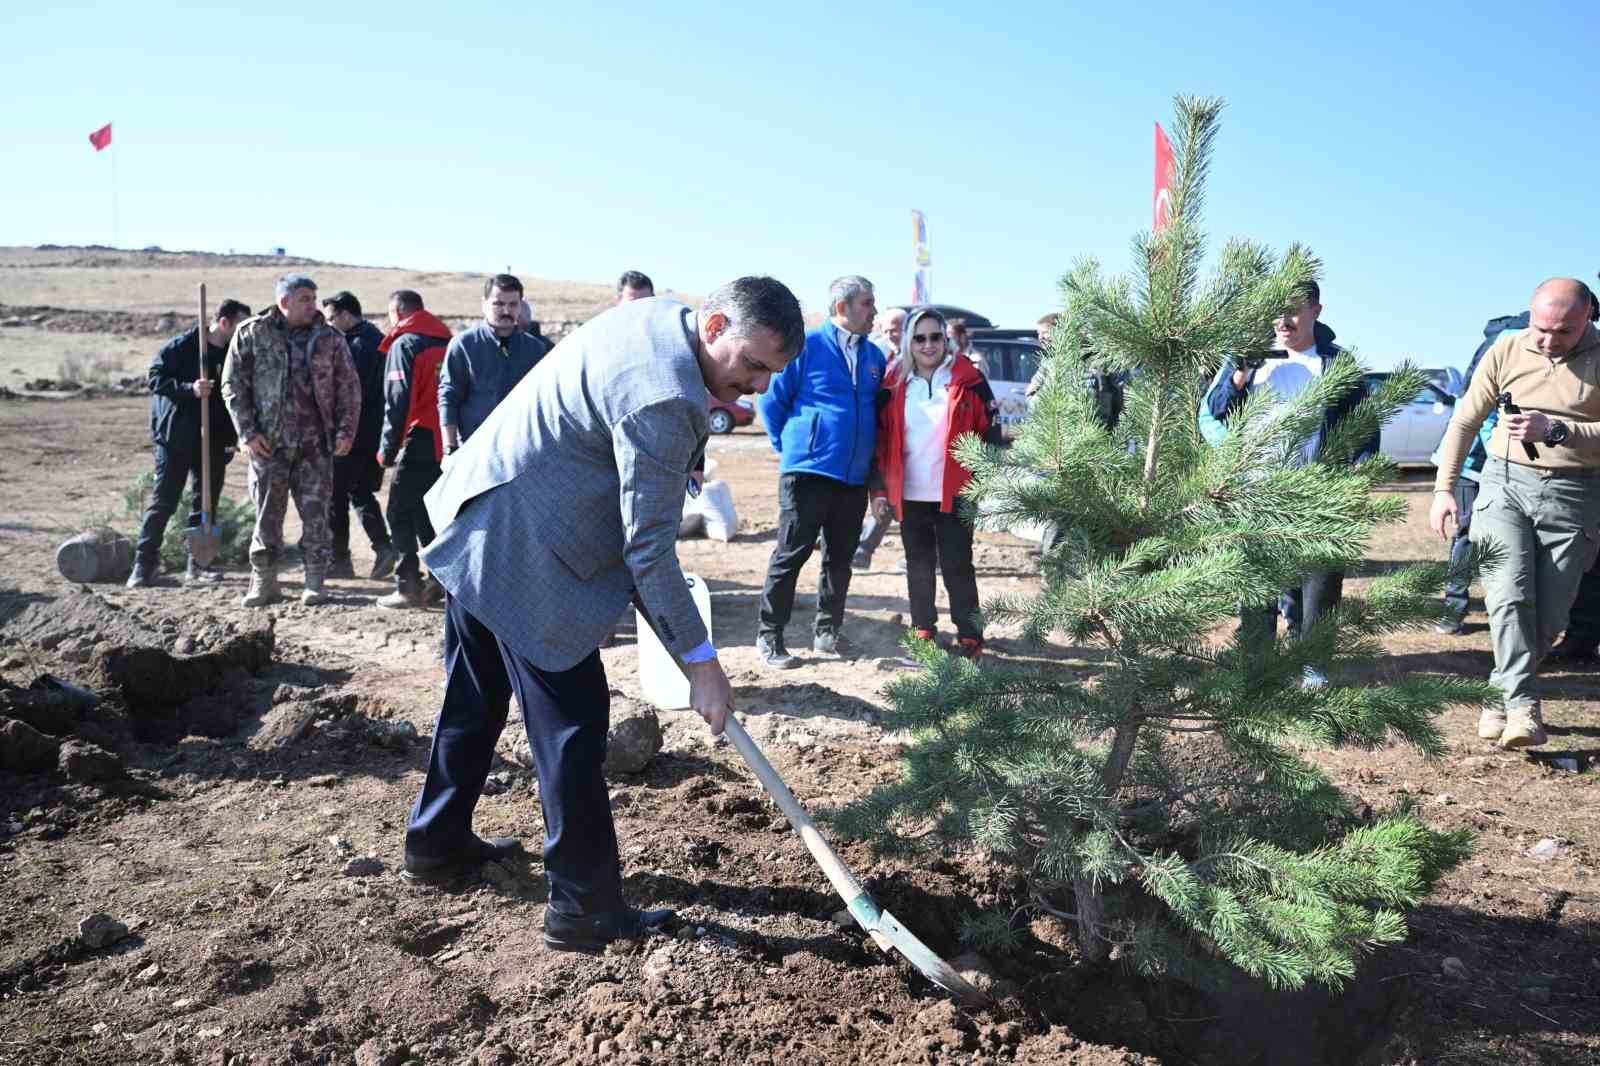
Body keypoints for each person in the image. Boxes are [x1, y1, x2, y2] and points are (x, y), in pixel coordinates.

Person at [403, 276, 804, 953]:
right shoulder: (666, 396)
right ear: (712, 328)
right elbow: (648, 554)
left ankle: (436, 843)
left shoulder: (660, 317)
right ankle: (584, 906)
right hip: (524, 545)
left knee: (475, 696)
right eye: (754, 365)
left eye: (773, 372)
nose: (761, 386)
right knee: (574, 724)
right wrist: (701, 663)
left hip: (483, 513)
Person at [1431, 279, 1600, 749]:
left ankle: (1497, 691)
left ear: (1588, 317)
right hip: (1504, 485)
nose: (1547, 341)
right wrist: (1444, 489)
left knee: (1549, 615)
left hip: (1576, 494)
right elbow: (1465, 420)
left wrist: (1560, 430)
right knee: (1508, 596)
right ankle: (1524, 705)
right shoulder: (1507, 348)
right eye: (1540, 328)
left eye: (1562, 332)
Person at [1199, 281, 1368, 689]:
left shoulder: (1336, 363)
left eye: (1294, 310)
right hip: (1256, 491)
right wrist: (1239, 373)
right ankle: (1256, 664)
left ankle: (1312, 667)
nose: (1283, 320)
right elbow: (1215, 412)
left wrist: (1357, 481)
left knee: (1318, 583)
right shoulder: (1249, 358)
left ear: (1316, 311)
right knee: (1257, 582)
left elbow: (1363, 429)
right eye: (1276, 311)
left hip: (1317, 490)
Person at [755, 275, 887, 668]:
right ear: (842, 307)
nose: (874, 311)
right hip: (808, 473)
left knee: (840, 558)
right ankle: (770, 636)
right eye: (867, 303)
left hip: (853, 478)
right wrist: (794, 446)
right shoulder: (807, 346)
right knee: (791, 554)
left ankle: (828, 633)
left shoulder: (875, 357)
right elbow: (772, 401)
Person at [222, 274, 360, 608]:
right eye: (304, 299)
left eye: (314, 298)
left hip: (316, 445)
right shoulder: (252, 333)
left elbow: (349, 388)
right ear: (284, 302)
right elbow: (233, 386)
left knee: (316, 516)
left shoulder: (329, 338)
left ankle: (315, 581)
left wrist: (345, 432)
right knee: (266, 515)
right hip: (268, 446)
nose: (313, 305)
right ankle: (264, 582)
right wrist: (247, 434)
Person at [870, 307, 1001, 658]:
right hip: (910, 492)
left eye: (935, 337)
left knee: (959, 564)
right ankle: (923, 627)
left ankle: (970, 633)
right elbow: (880, 442)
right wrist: (880, 490)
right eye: (919, 338)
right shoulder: (893, 382)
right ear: (908, 343)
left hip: (955, 491)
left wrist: (983, 481)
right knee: (919, 564)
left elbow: (990, 432)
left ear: (946, 340)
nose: (928, 345)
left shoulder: (969, 378)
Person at [128, 298, 251, 588]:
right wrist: (190, 389)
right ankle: (143, 566)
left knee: (206, 503)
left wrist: (233, 439)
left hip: (214, 440)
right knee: (165, 501)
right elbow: (155, 377)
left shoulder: (236, 353)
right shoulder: (185, 345)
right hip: (176, 438)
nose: (245, 332)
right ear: (224, 323)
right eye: (241, 326)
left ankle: (199, 564)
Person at [376, 289, 453, 609]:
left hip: (417, 438)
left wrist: (387, 450)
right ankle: (440, 581)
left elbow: (398, 403)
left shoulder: (405, 344)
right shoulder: (448, 342)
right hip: (447, 441)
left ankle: (407, 584)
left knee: (398, 511)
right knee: (426, 513)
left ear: (397, 312)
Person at [320, 291, 399, 581]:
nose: (328, 325)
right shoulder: (374, 339)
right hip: (371, 433)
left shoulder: (358, 345)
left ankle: (340, 559)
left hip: (354, 434)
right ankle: (383, 547)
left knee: (335, 495)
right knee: (360, 492)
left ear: (345, 314)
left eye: (331, 319)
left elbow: (352, 392)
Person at [439, 275, 549, 449]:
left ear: (521, 305)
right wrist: (449, 447)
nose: (506, 311)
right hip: (473, 448)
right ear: (484, 304)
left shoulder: (536, 349)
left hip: (521, 447)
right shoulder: (464, 345)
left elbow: (544, 401)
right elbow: (449, 396)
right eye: (498, 304)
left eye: (513, 304)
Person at [854, 306, 908, 571]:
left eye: (896, 329)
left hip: (910, 442)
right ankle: (863, 551)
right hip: (884, 439)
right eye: (886, 330)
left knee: (913, 502)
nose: (891, 334)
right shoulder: (879, 354)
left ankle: (918, 556)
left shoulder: (919, 355)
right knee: (884, 495)